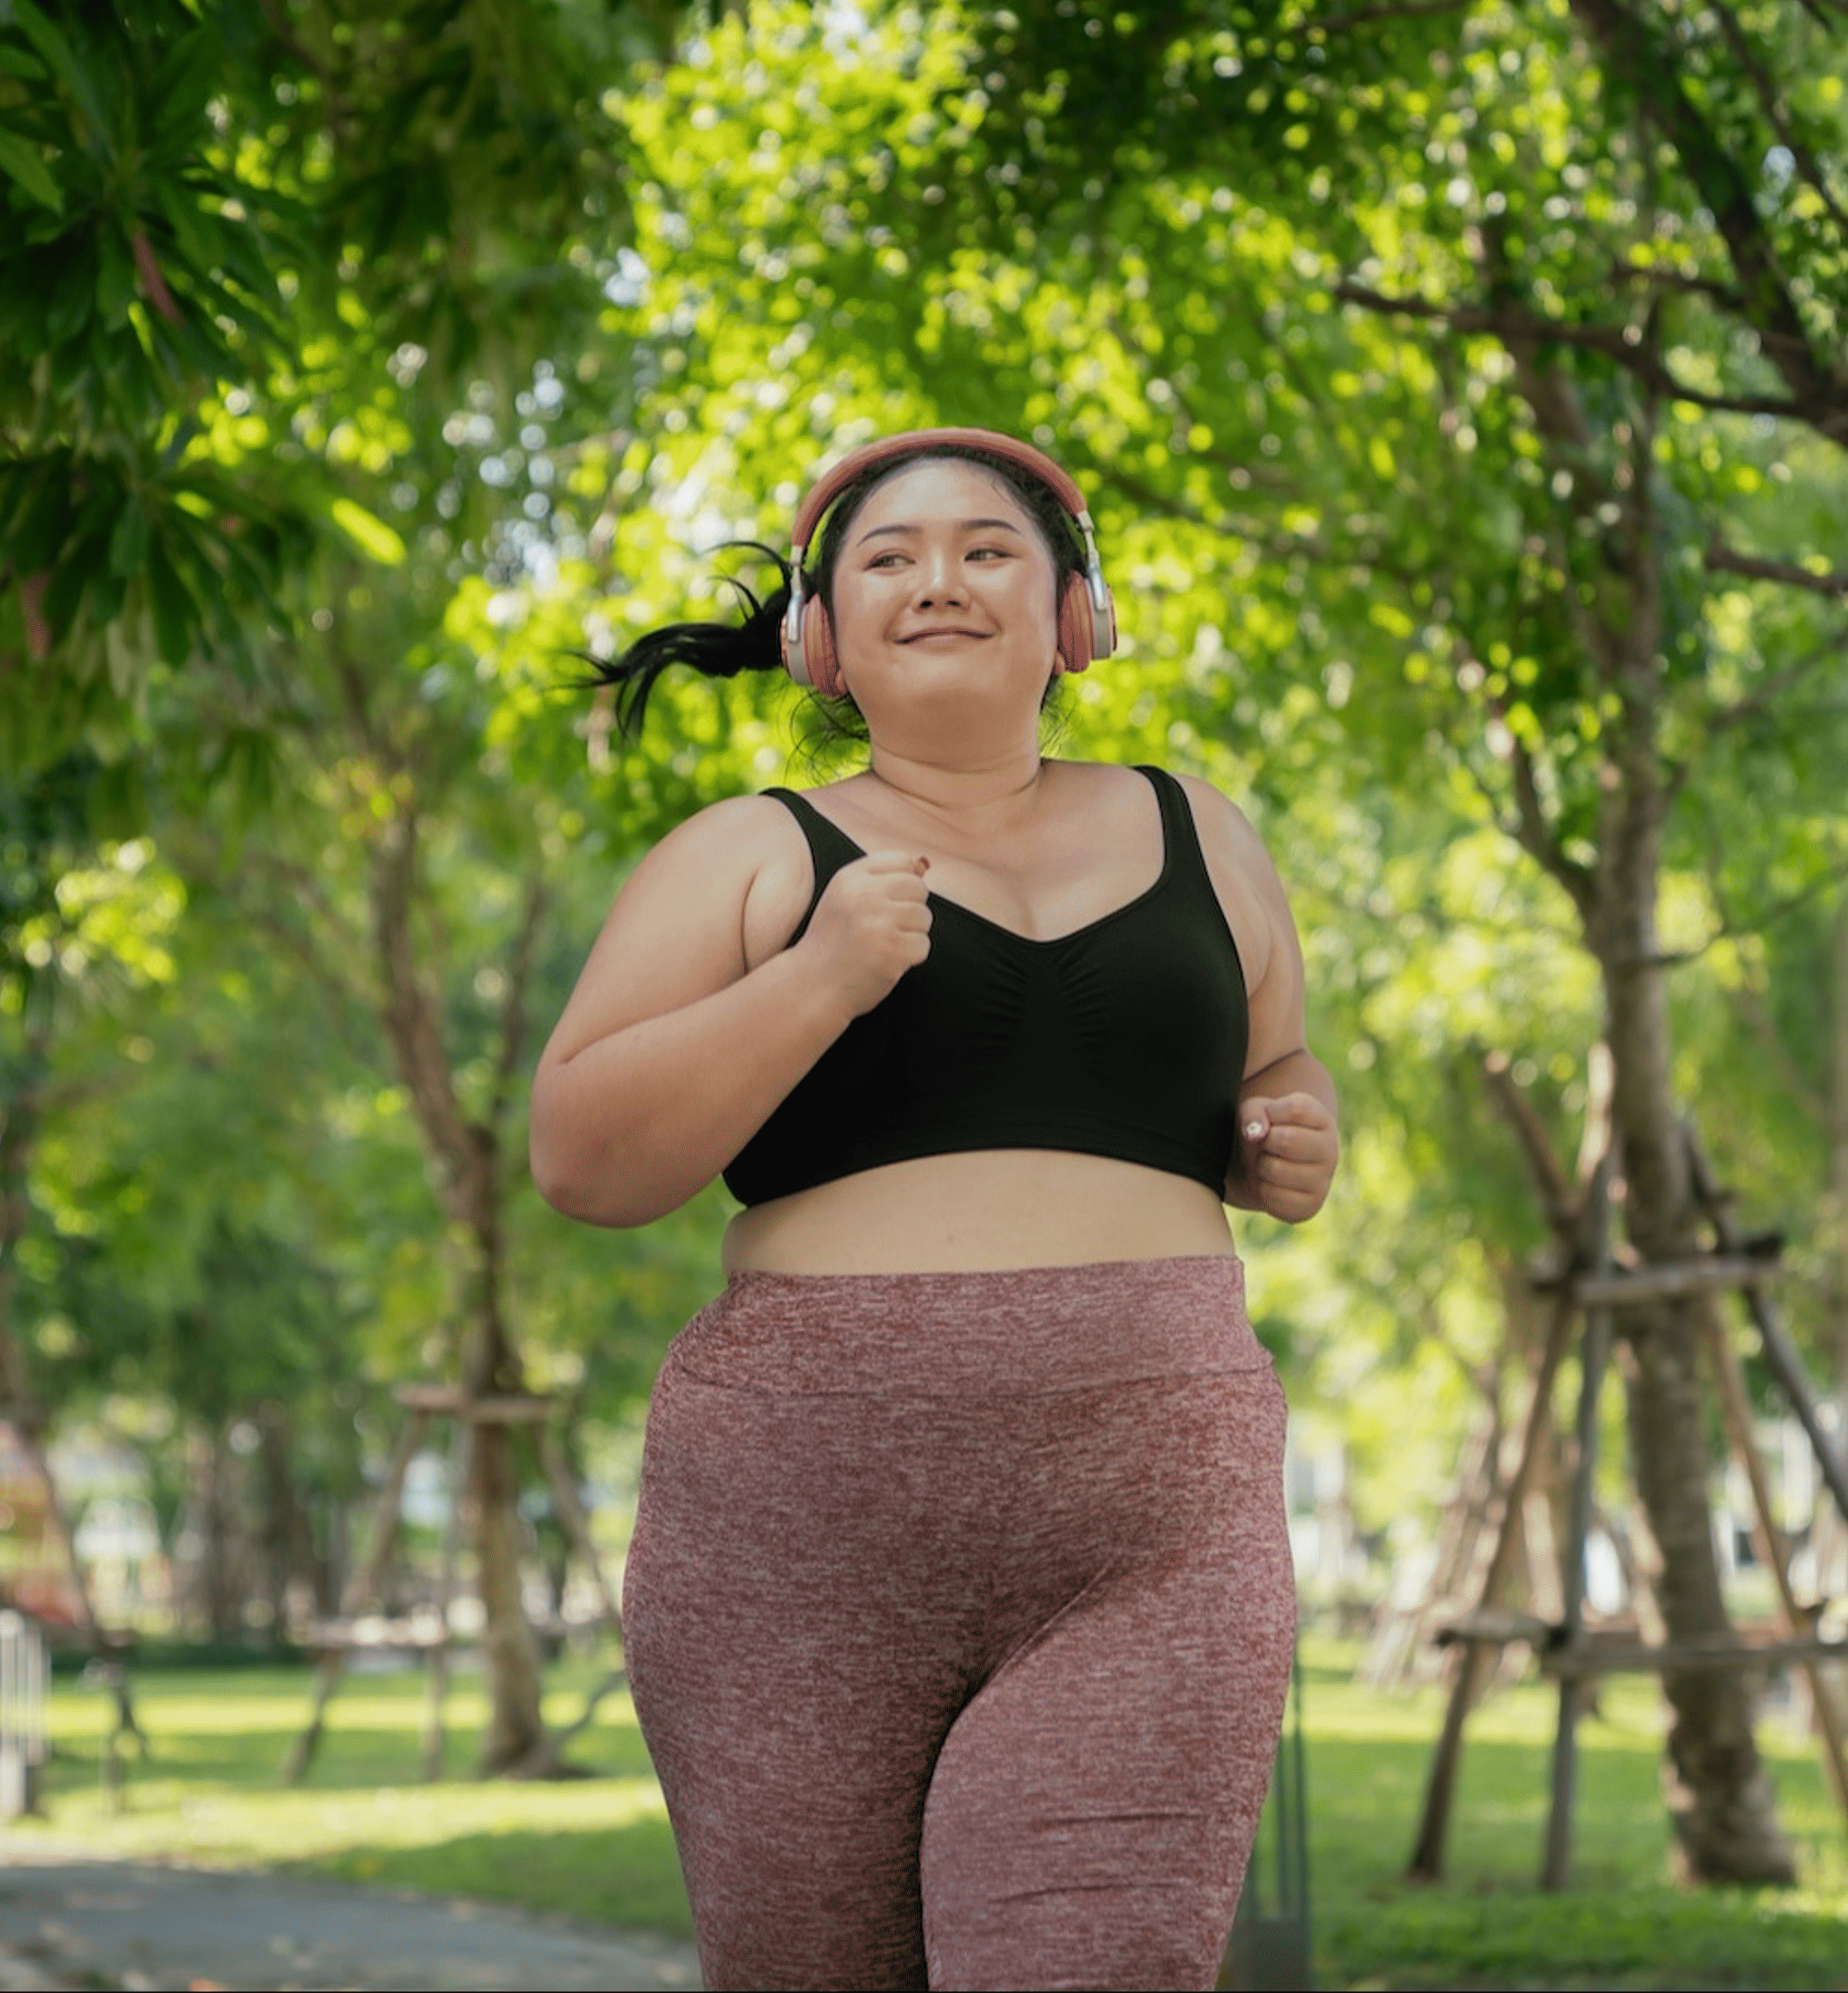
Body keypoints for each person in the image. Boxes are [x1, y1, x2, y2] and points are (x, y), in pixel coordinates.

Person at [529, 428, 1341, 1991]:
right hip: (795, 1551)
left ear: (1077, 617)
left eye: (988, 550)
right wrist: (819, 980)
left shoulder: (1201, 829)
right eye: (887, 559)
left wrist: (1294, 1135)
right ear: (819, 639)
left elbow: (1283, 1055)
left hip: (1150, 1535)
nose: (939, 581)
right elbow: (583, 1159)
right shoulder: (747, 853)